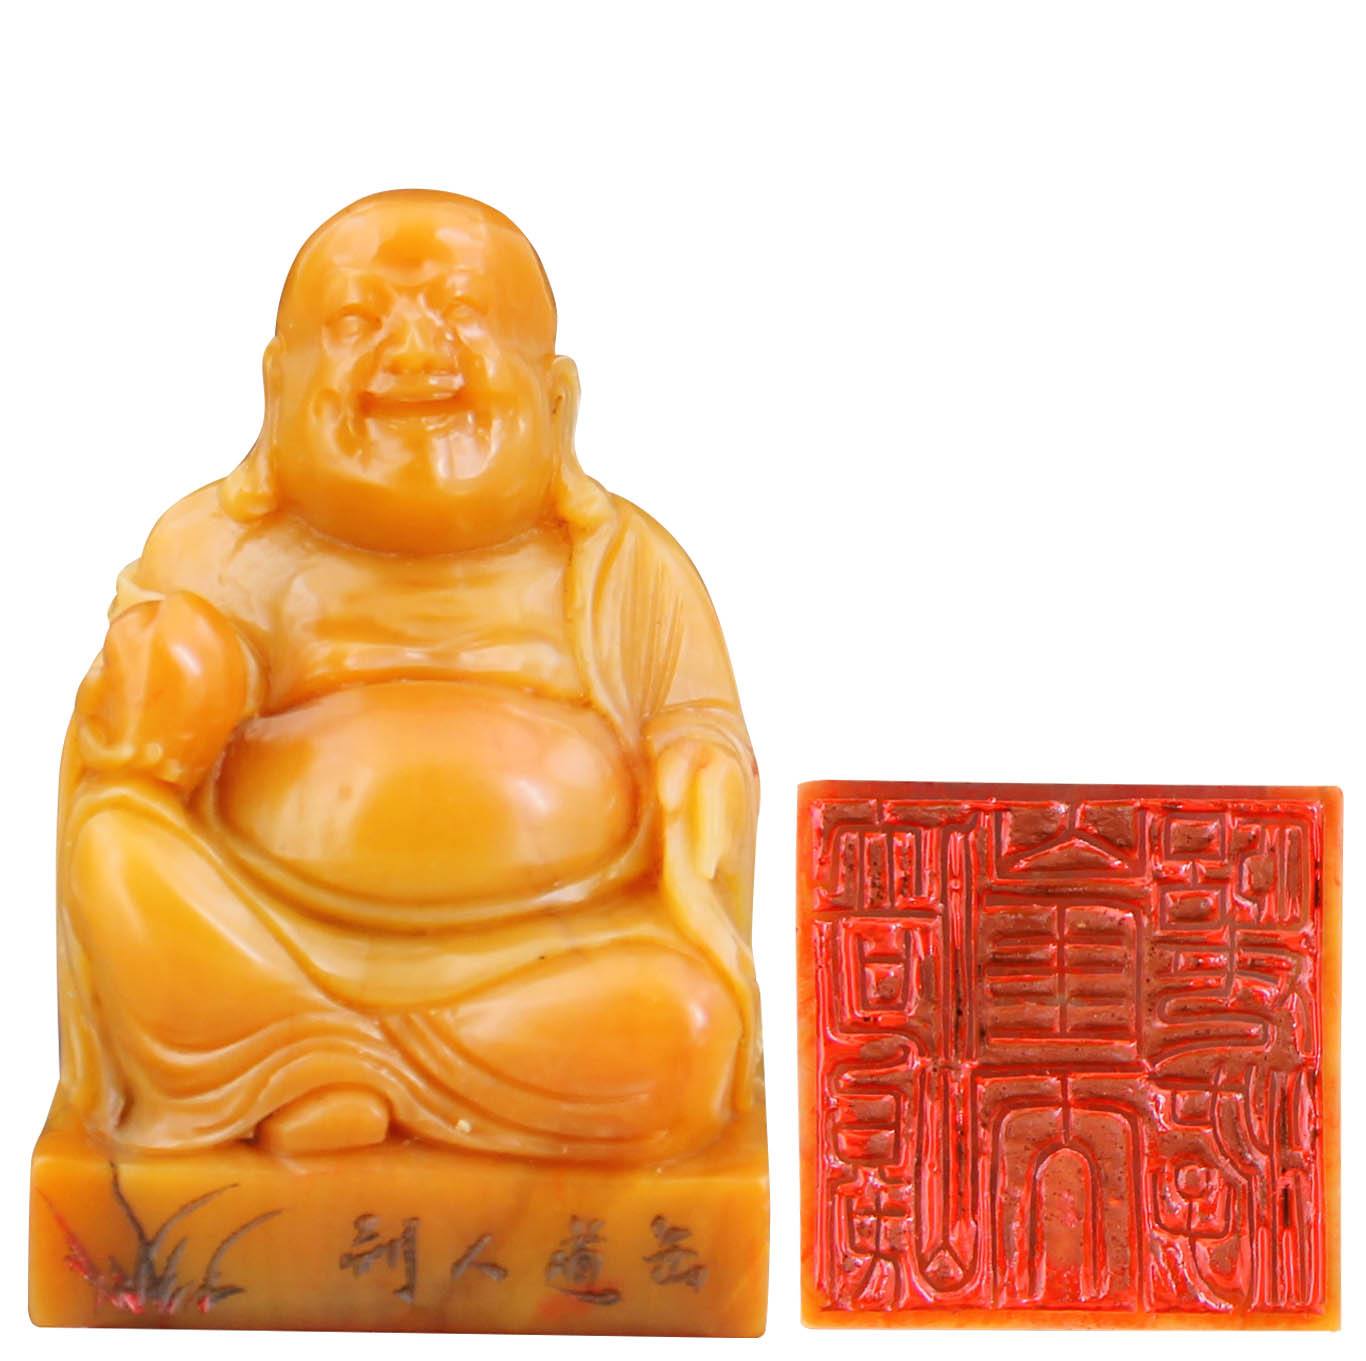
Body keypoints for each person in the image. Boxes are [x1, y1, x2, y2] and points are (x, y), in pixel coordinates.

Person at [56, 190, 760, 1162]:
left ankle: (325, 1068)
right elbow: (128, 760)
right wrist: (166, 680)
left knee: (684, 1024)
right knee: (112, 844)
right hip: (262, 938)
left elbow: (699, 720)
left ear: (556, 398)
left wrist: (701, 769)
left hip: (542, 963)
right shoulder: (219, 551)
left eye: (465, 315)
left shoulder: (624, 566)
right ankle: (314, 1058)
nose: (417, 353)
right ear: (275, 388)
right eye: (357, 323)